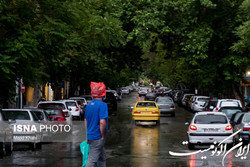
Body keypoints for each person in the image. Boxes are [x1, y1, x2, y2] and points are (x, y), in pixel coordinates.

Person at [84, 82, 108, 167]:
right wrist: (102, 136)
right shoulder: (103, 105)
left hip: (91, 136)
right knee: (91, 161)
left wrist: (87, 134)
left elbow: (86, 120)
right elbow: (102, 122)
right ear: (103, 93)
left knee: (102, 158)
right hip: (97, 137)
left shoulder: (89, 105)